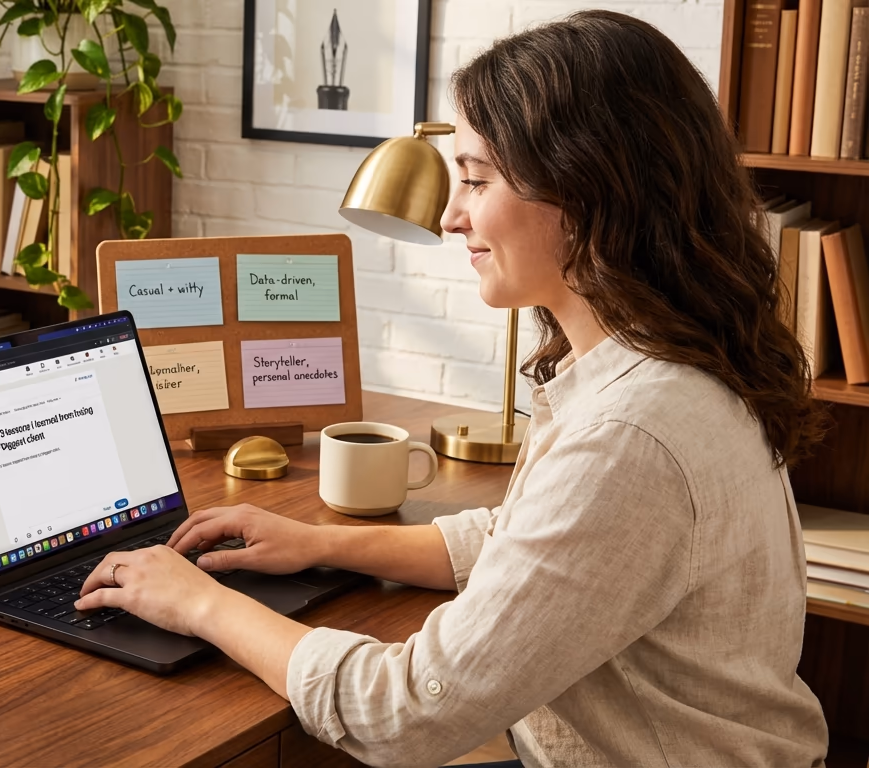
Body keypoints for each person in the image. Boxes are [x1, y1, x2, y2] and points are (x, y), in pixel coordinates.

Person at [74, 10, 831, 767]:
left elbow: (401, 714)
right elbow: (528, 541)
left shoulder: (631, 437)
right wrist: (321, 544)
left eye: (475, 179)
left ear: (588, 186)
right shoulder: (664, 365)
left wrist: (200, 603)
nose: (450, 215)